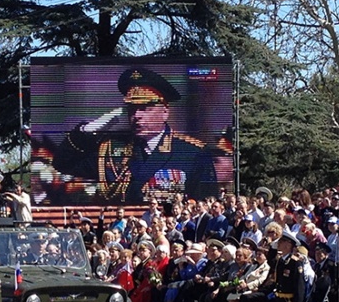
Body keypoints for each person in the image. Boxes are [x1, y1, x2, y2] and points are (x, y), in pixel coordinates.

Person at [53, 67, 219, 203]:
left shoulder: (192, 152)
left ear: (165, 112)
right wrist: (87, 130)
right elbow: (63, 164)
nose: (137, 115)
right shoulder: (111, 149)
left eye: (145, 108)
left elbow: (206, 204)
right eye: (132, 109)